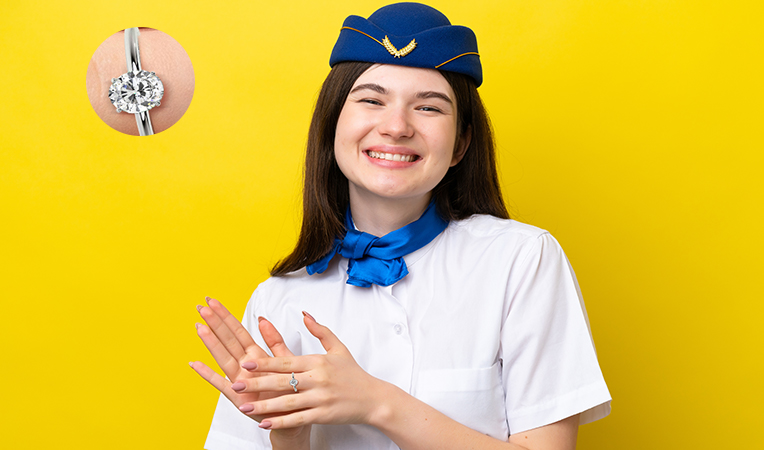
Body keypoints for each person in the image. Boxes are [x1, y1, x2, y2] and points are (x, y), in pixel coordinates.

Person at [190, 3, 611, 449]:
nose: (396, 127)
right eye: (372, 100)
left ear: (460, 144)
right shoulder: (279, 299)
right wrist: (290, 435)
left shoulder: (521, 260)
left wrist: (376, 402)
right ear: (332, 126)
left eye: (428, 107)